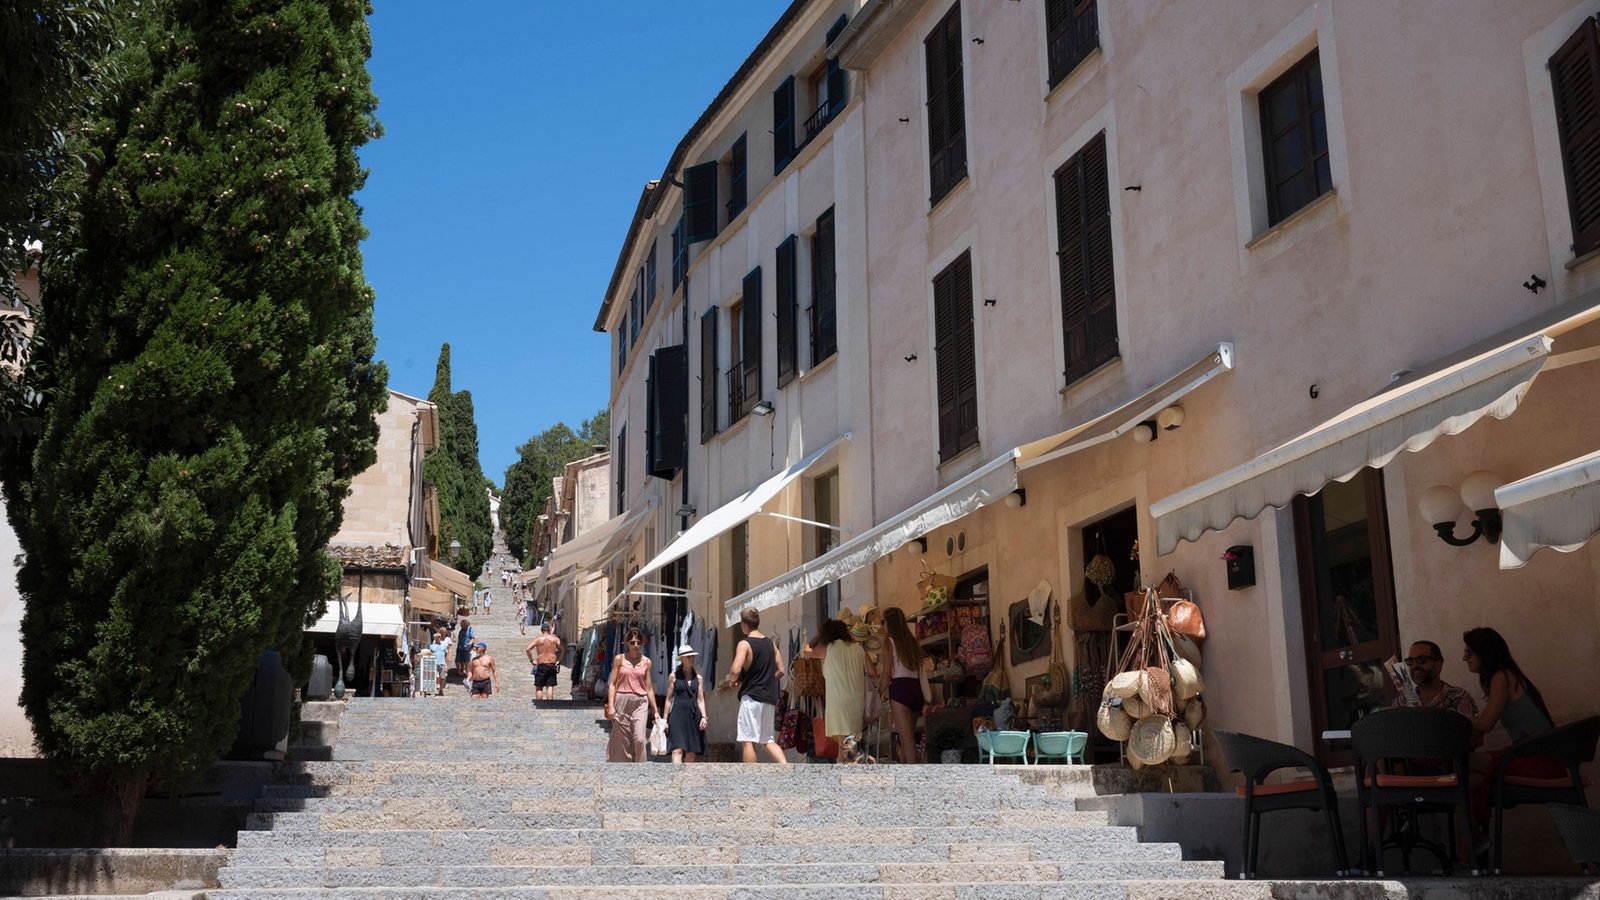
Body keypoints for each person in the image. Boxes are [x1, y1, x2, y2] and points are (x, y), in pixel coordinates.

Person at [1463, 627, 1562, 835]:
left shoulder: (1502, 676)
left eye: (1469, 652)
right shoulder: (1509, 675)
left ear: (1484, 652)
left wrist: (1451, 720)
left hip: (1539, 761)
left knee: (1463, 762)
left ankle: (1476, 845)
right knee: (1469, 782)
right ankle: (1475, 850)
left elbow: (1486, 723)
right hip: (1540, 758)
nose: (1464, 658)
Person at [802, 618, 877, 763]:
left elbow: (807, 650)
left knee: (845, 746)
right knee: (846, 743)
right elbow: (872, 672)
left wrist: (820, 635)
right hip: (856, 702)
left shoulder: (828, 648)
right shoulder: (859, 649)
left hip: (837, 702)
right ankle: (842, 775)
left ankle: (849, 776)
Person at [722, 607, 786, 763]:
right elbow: (781, 670)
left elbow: (735, 669)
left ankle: (750, 778)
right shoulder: (770, 643)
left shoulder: (744, 644)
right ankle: (787, 770)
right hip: (768, 699)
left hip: (751, 698)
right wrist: (767, 680)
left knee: (747, 740)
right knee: (768, 740)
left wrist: (732, 680)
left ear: (744, 624)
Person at [880, 606, 927, 764]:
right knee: (906, 736)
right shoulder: (911, 642)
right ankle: (906, 772)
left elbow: (887, 672)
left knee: (906, 738)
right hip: (916, 689)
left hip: (900, 689)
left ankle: (912, 778)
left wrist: (879, 692)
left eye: (883, 621)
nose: (883, 625)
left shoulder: (889, 642)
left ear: (889, 623)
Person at [606, 627, 660, 762]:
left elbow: (648, 688)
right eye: (632, 642)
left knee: (640, 738)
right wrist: (611, 706)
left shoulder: (647, 662)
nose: (635, 645)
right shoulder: (620, 659)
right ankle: (624, 768)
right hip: (622, 700)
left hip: (640, 702)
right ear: (627, 643)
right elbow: (612, 684)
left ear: (642, 644)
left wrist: (655, 710)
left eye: (638, 642)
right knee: (622, 739)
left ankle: (640, 766)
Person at [1393, 640, 1480, 719]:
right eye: (1410, 661)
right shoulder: (1401, 702)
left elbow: (1475, 735)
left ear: (1439, 664)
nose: (1414, 666)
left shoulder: (1459, 697)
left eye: (1421, 660)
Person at [663, 646, 708, 763]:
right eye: (689, 656)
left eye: (693, 656)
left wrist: (704, 716)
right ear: (682, 659)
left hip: (694, 716)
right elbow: (668, 699)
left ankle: (688, 779)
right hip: (677, 716)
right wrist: (664, 720)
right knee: (677, 750)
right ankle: (677, 779)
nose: (692, 658)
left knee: (691, 751)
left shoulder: (699, 678)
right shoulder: (674, 676)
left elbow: (700, 699)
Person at [526, 624, 563, 701]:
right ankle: (549, 703)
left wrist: (531, 660)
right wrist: (559, 660)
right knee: (550, 686)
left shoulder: (538, 639)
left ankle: (539, 703)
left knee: (539, 687)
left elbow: (528, 649)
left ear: (541, 630)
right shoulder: (555, 639)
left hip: (541, 664)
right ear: (549, 630)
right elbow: (564, 649)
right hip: (551, 664)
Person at [428, 628, 451, 696]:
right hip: (434, 663)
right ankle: (434, 689)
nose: (439, 638)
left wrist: (446, 664)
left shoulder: (443, 646)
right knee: (434, 677)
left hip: (442, 663)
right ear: (435, 638)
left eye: (439, 637)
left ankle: (441, 688)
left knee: (443, 677)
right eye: (437, 637)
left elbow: (446, 655)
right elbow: (429, 655)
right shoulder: (431, 646)